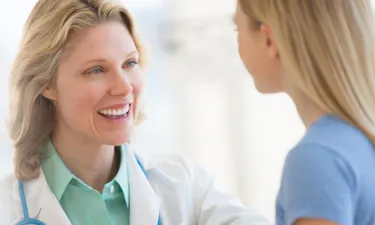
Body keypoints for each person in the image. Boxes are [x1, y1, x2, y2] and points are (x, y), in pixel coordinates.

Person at [0, 0, 270, 225]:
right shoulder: (7, 208)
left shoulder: (185, 188)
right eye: (96, 70)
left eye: (130, 63)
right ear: (45, 83)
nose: (124, 87)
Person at [233, 0, 375, 225]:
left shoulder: (316, 158)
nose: (237, 41)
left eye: (237, 29)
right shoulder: (358, 140)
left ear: (269, 39)